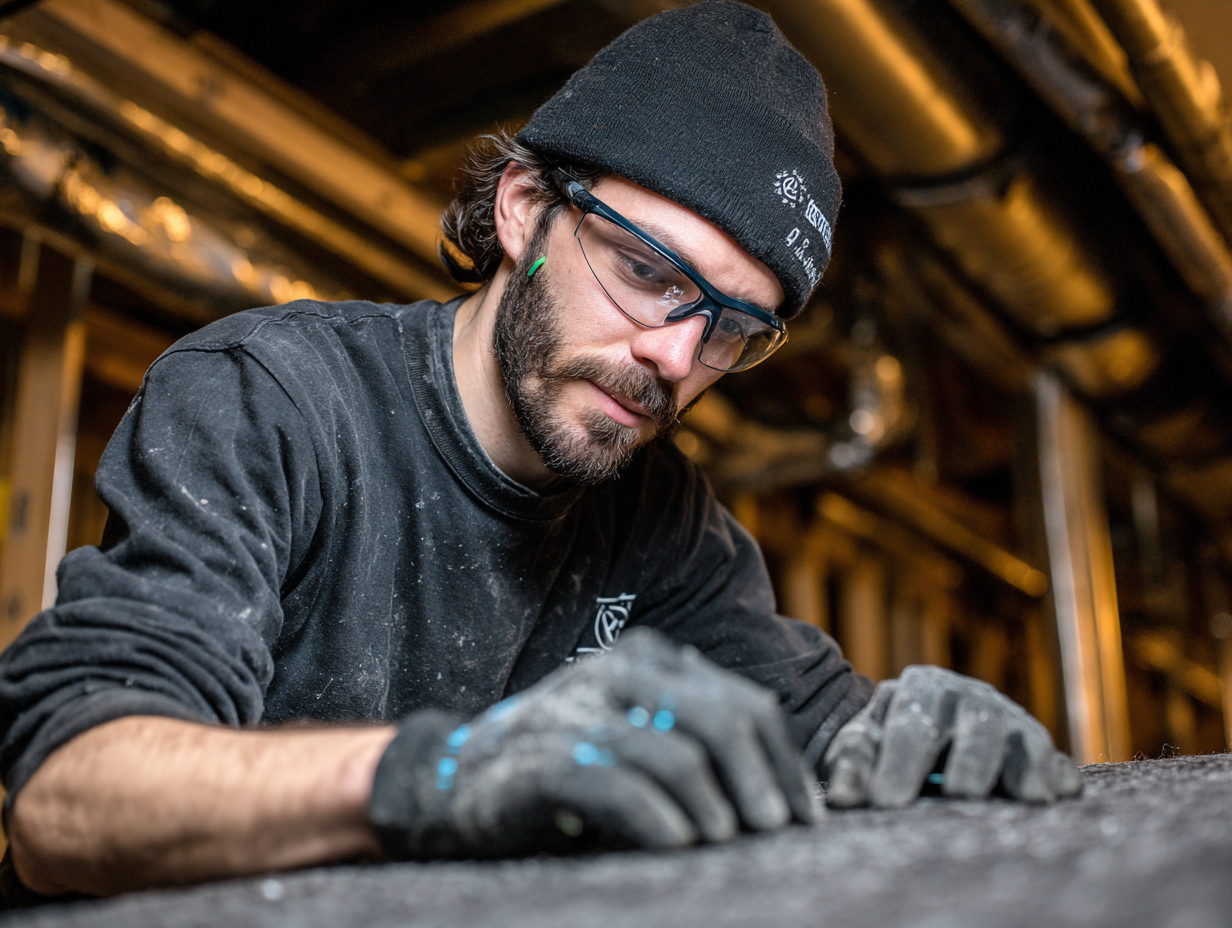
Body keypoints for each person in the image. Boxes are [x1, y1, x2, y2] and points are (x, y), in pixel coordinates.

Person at [0, 0, 1080, 904]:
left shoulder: (661, 521)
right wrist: (443, 773)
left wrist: (908, 739)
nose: (672, 356)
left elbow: (813, 725)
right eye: (648, 272)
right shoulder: (271, 402)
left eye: (729, 327)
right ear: (522, 211)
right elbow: (63, 796)